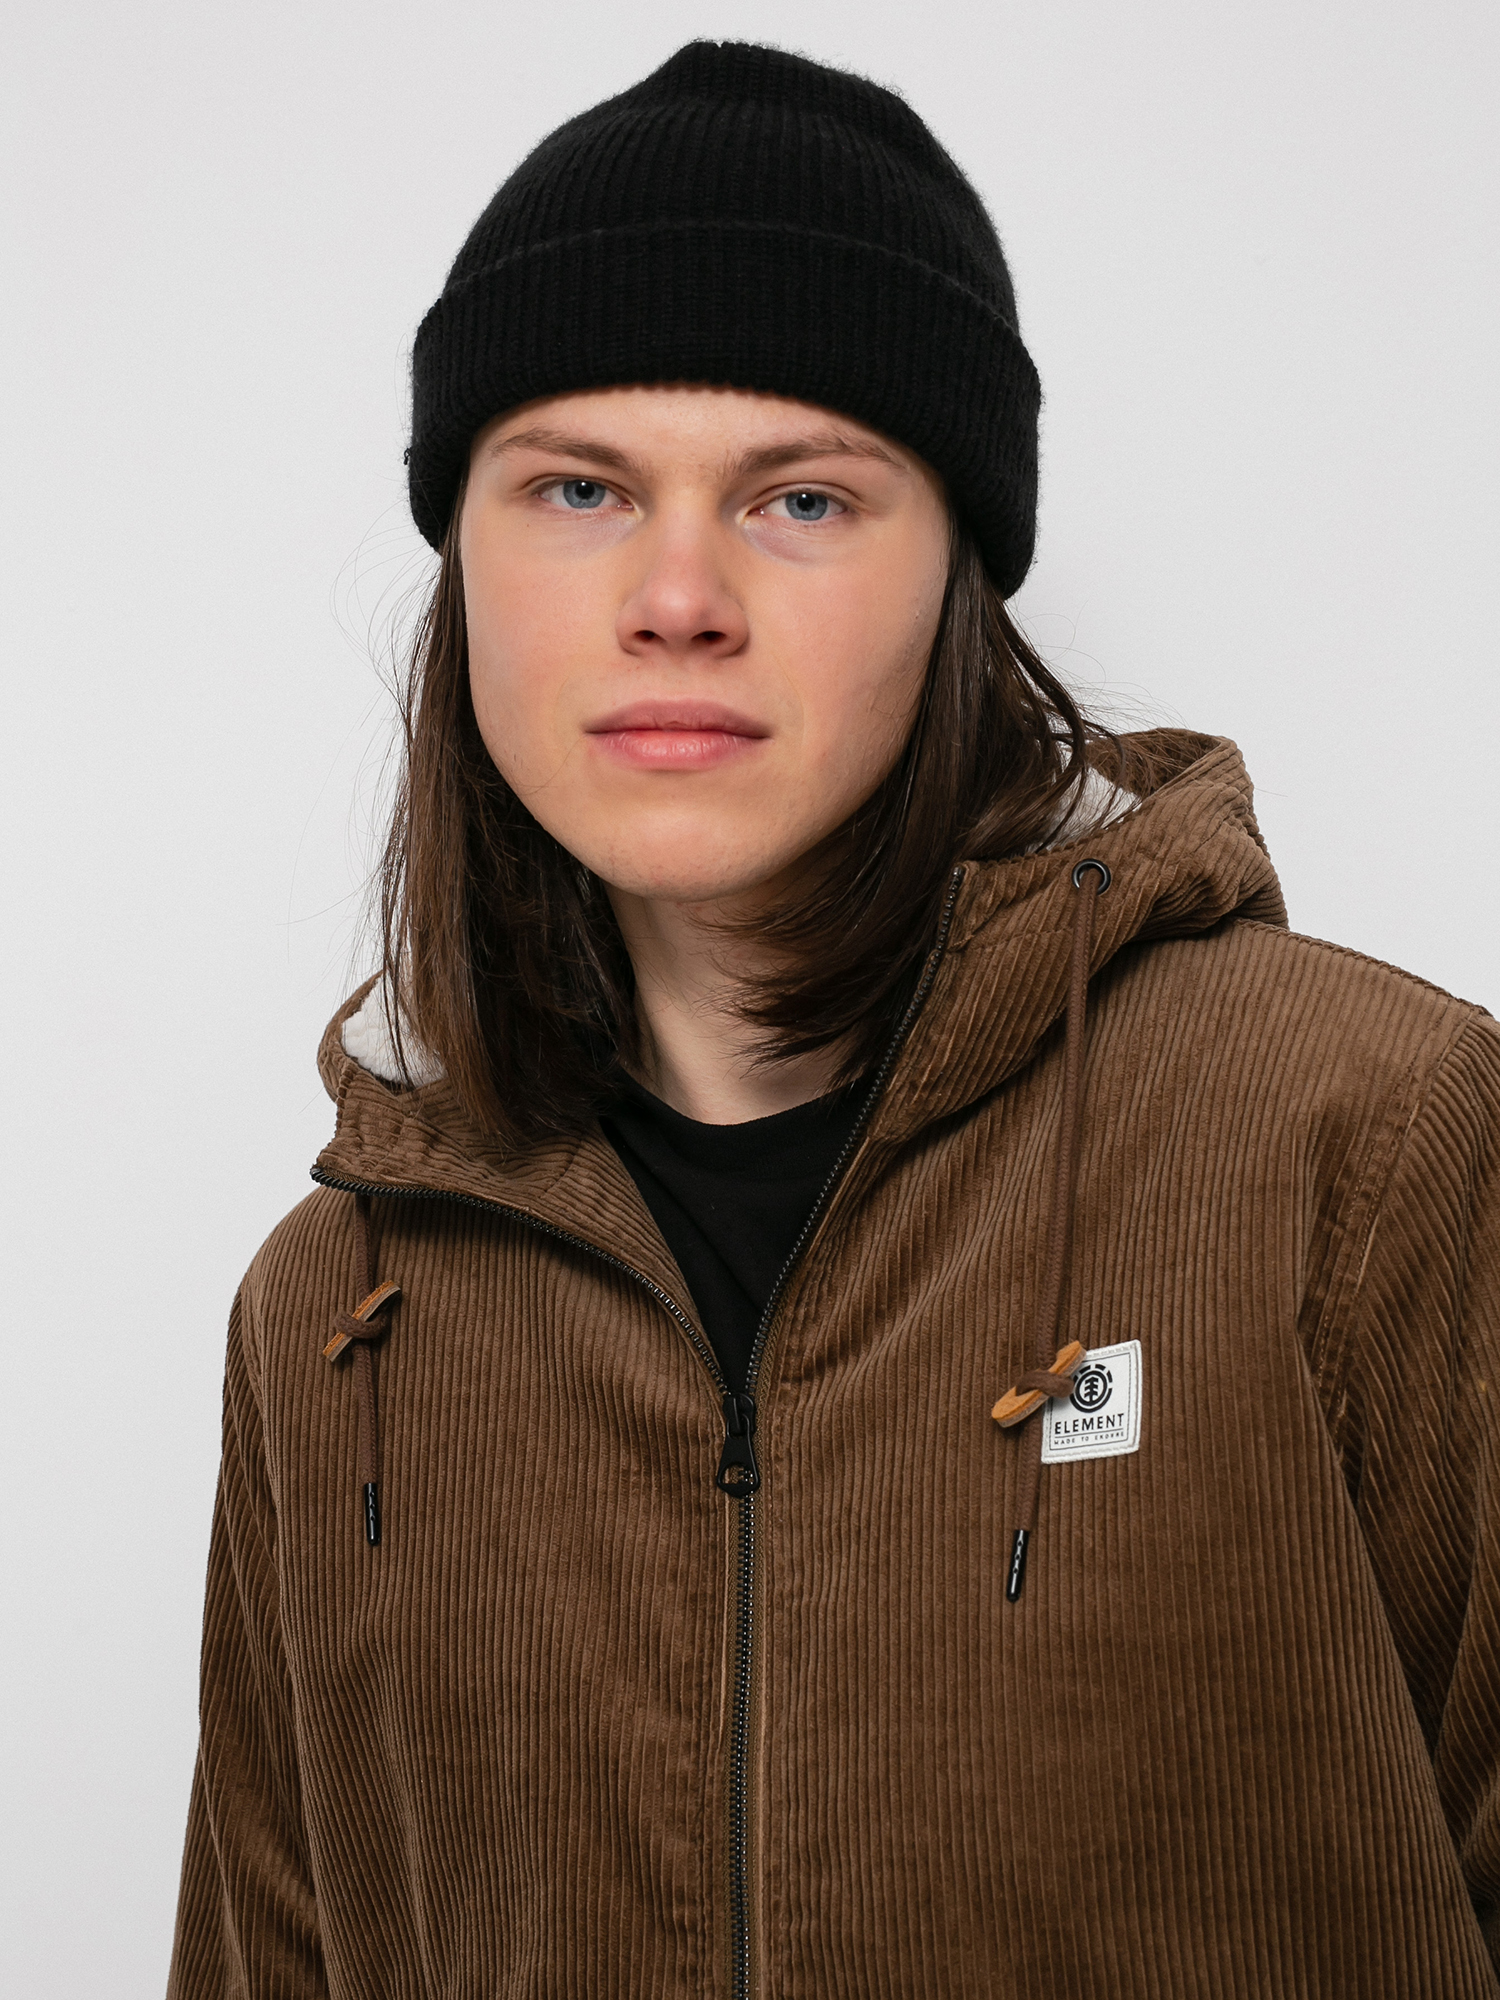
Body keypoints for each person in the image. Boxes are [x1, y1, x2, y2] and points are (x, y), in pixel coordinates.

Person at [167, 39, 1500, 2000]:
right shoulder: (339, 1306)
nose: (678, 594)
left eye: (800, 497)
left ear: (956, 568)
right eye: (578, 488)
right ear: (466, 563)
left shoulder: (1370, 1140)